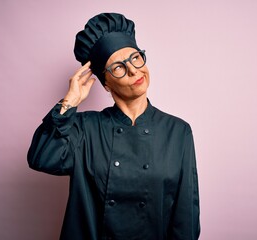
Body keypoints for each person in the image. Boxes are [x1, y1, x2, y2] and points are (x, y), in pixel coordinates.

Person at [27, 12, 200, 240]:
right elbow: (41, 157)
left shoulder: (178, 132)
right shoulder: (85, 129)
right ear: (106, 84)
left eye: (135, 58)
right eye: (118, 67)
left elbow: (185, 215)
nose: (133, 70)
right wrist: (70, 101)